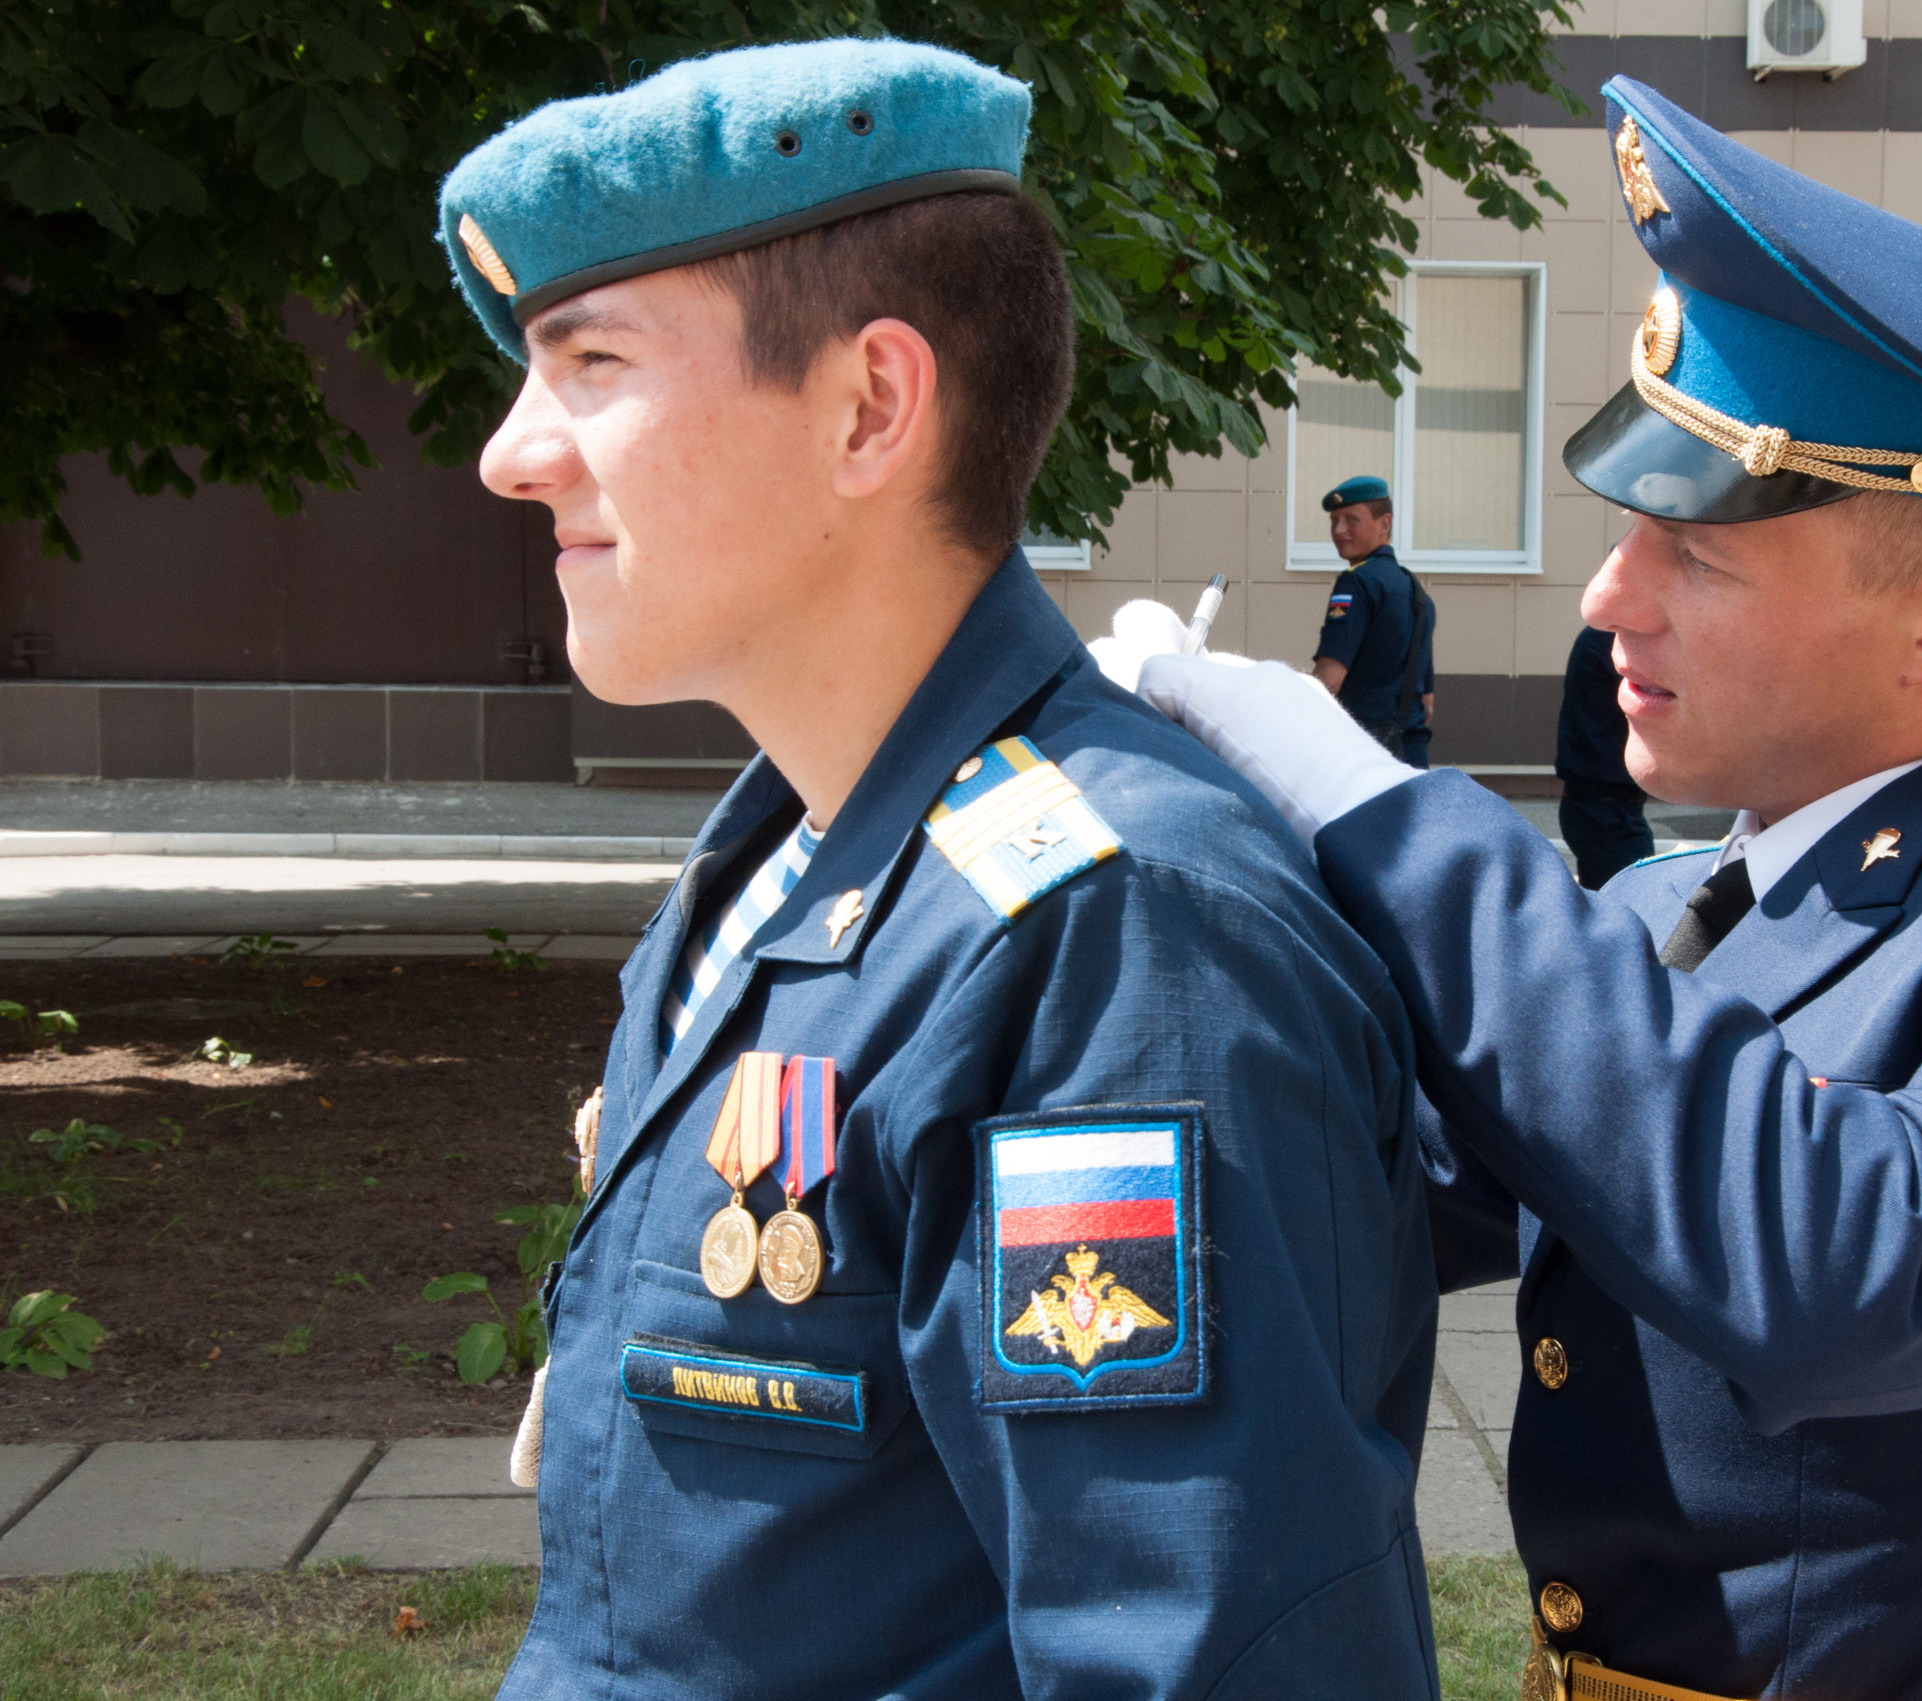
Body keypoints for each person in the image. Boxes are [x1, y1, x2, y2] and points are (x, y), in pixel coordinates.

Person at [1130, 77, 1922, 1701]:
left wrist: (1378, 806)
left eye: (1698, 555)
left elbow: (1847, 1263)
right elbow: (1331, 1187)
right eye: (1630, 533)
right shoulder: (1675, 918)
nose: (1611, 597)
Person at [443, 41, 1442, 1696]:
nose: (511, 452)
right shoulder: (782, 857)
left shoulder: (1115, 935)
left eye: (592, 362)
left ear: (869, 408)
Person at [1312, 475, 1435, 767]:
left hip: (1364, 754)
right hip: (1412, 755)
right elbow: (1427, 703)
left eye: (1351, 519)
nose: (1339, 530)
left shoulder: (1357, 583)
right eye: (1334, 520)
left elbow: (1327, 683)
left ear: (1385, 523)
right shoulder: (1417, 593)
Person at [1555, 624, 1654, 887]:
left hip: (1597, 804)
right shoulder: (1612, 640)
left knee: (1605, 910)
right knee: (1636, 904)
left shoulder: (1602, 637)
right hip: (1606, 810)